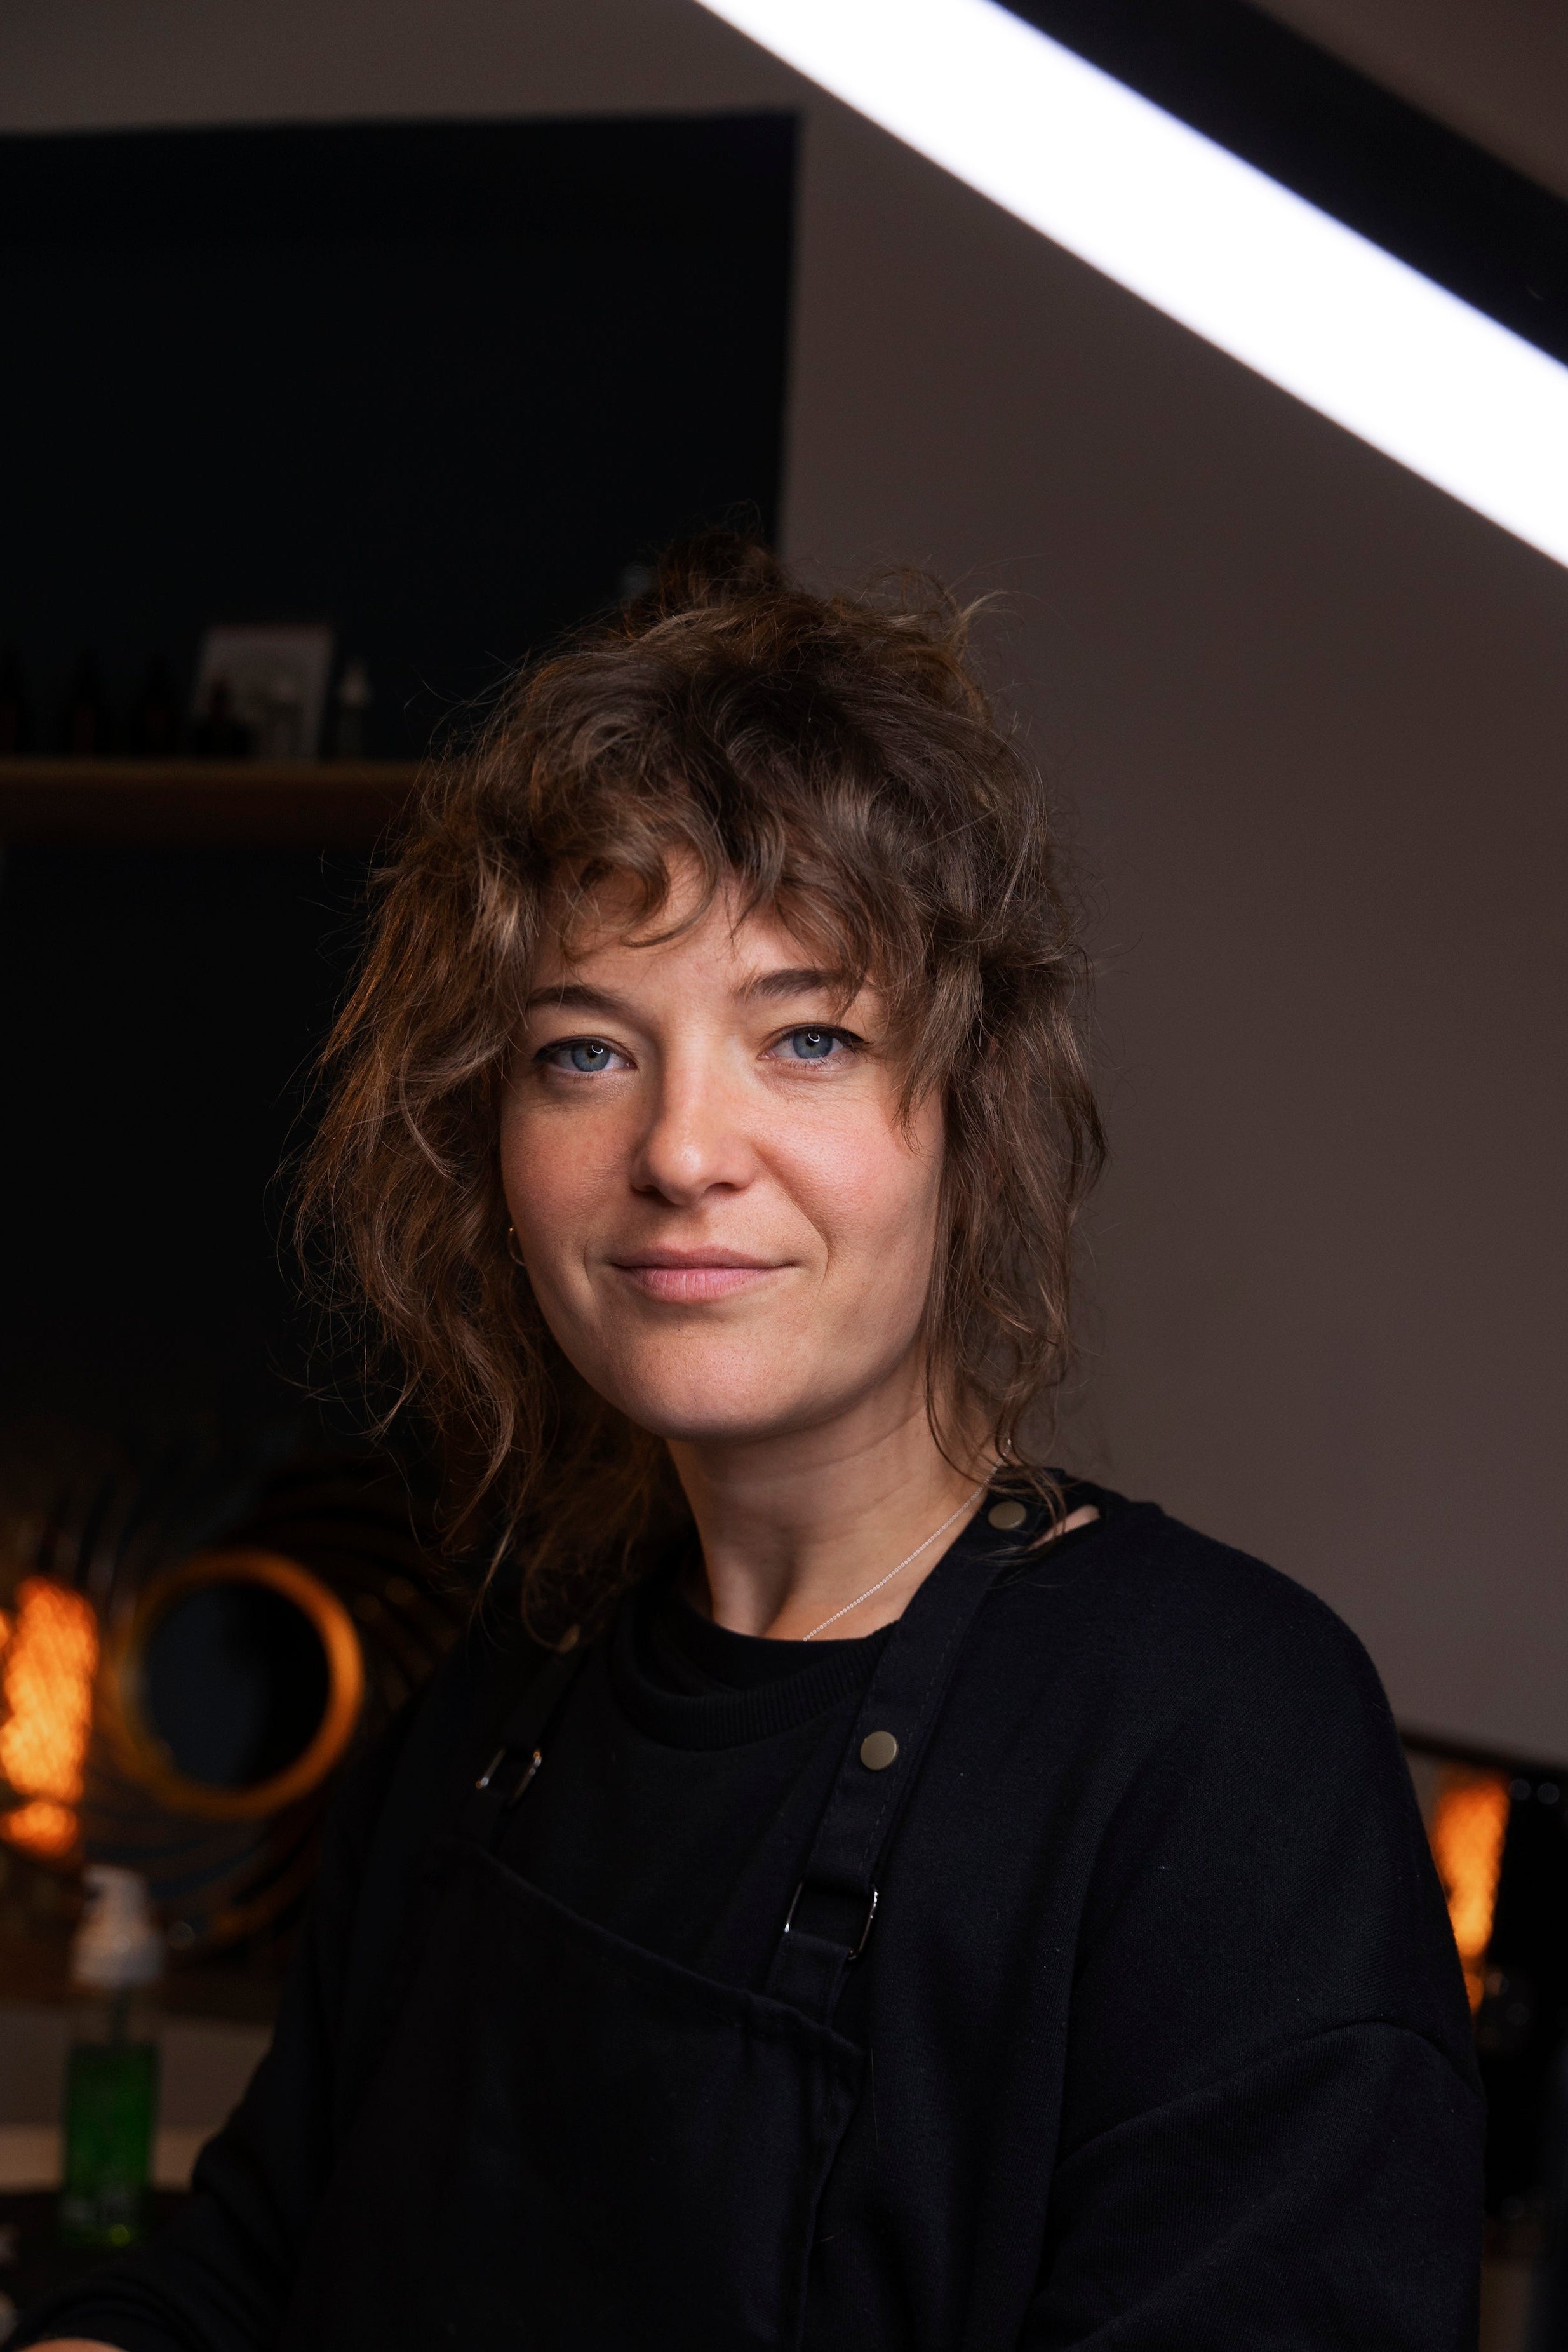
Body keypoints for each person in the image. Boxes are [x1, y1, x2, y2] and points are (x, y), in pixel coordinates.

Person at [22, 540, 1481, 2352]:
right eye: (582, 1053)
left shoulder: (1215, 1743)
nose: (681, 1150)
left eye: (804, 1036)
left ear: (971, 1115)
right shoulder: (502, 1710)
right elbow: (244, 2265)